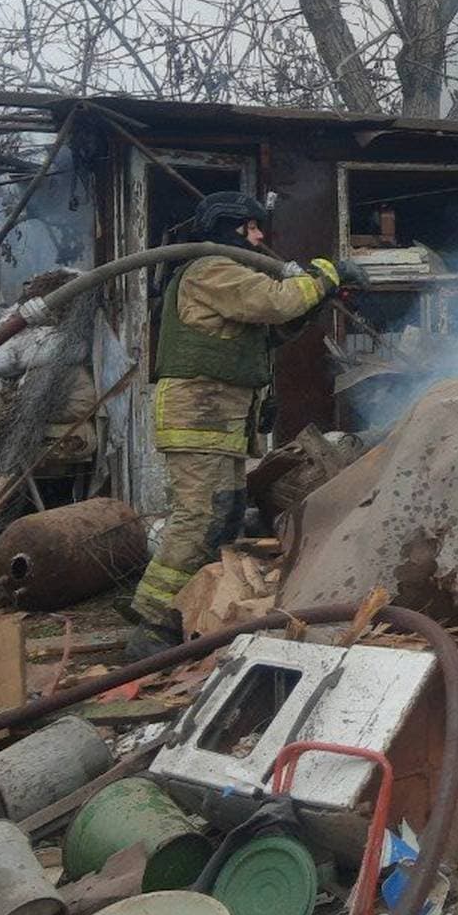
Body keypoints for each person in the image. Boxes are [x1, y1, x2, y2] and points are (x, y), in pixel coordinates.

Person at [126, 192, 364, 658]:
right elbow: (274, 302)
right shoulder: (211, 269)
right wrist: (327, 274)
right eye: (253, 228)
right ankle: (153, 626)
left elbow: (274, 329)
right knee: (199, 520)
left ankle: (199, 610)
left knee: (225, 515)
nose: (258, 237)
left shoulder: (227, 275)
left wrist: (319, 298)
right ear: (230, 227)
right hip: (199, 416)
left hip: (222, 421)